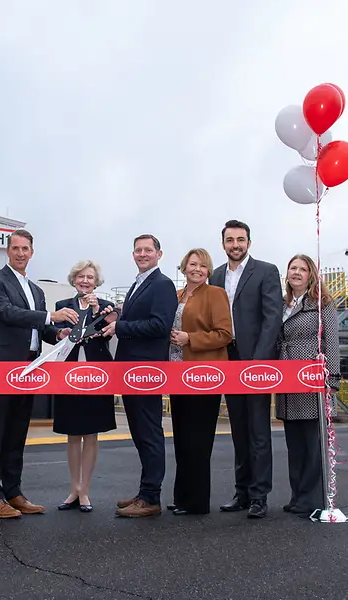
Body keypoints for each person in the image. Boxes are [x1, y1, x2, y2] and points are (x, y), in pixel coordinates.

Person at [0, 229, 79, 519]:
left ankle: (13, 491)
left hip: (29, 369)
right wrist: (51, 317)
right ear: (7, 251)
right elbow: (8, 313)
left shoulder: (36, 290)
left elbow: (42, 329)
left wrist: (58, 332)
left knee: (17, 432)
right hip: (1, 368)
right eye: (16, 248)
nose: (21, 253)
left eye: (26, 249)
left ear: (32, 253)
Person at [209, 219, 282, 518]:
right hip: (227, 359)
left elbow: (272, 317)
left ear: (249, 243)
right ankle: (241, 491)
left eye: (240, 240)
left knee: (258, 430)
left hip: (256, 361)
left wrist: (259, 362)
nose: (235, 245)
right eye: (230, 240)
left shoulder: (266, 271)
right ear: (223, 244)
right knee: (238, 430)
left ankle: (259, 495)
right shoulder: (215, 276)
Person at [103, 234, 179, 518]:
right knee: (139, 432)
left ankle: (151, 497)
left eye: (148, 250)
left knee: (149, 433)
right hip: (130, 370)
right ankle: (145, 491)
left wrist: (121, 327)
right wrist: (116, 318)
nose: (142, 254)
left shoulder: (162, 284)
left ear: (159, 254)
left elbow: (160, 325)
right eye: (138, 250)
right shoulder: (139, 283)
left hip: (146, 372)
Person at [167, 248, 233, 515]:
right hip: (176, 375)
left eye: (202, 265)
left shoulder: (216, 294)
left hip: (203, 377)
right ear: (184, 267)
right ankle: (182, 496)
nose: (196, 269)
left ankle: (196, 501)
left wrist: (189, 338)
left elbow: (225, 334)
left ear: (209, 271)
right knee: (181, 438)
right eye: (192, 264)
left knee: (198, 439)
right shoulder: (176, 296)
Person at [275, 254, 340, 516]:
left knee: (312, 444)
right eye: (293, 268)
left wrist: (331, 379)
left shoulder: (322, 304)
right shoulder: (282, 305)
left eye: (302, 269)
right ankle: (297, 494)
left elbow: (332, 342)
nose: (297, 273)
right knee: (295, 444)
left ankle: (312, 497)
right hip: (287, 380)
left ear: (311, 274)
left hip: (312, 381)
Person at [52, 260, 117, 513]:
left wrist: (97, 309)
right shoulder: (61, 307)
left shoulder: (106, 308)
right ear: (74, 279)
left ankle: (85, 490)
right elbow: (54, 333)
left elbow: (108, 333)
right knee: (72, 433)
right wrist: (59, 333)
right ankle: (74, 488)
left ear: (96, 281)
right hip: (68, 375)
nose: (85, 281)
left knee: (91, 433)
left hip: (97, 375)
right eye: (81, 276)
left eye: (90, 277)